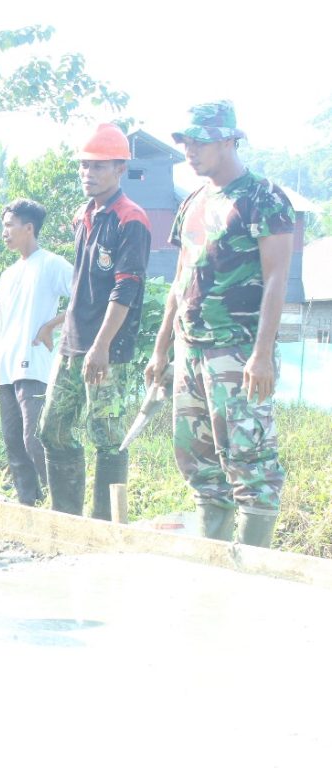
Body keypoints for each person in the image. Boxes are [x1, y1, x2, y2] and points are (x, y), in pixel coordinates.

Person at [146, 101, 293, 547]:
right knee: (197, 459)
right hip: (191, 349)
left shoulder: (262, 196)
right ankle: (216, 565)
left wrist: (262, 354)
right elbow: (179, 280)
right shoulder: (192, 202)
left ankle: (255, 569)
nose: (190, 150)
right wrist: (161, 348)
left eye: (200, 141)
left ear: (229, 140)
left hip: (238, 349)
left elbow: (276, 279)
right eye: (186, 142)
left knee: (250, 459)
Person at [39, 123, 150, 520]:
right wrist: (60, 326)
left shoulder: (130, 219)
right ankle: (66, 518)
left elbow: (126, 290)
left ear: (120, 168)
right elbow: (81, 284)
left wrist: (101, 345)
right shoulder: (82, 215)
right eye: (84, 165)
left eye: (98, 166)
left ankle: (105, 525)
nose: (88, 173)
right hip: (72, 342)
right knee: (52, 428)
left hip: (109, 348)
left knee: (107, 438)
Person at [0, 199, 72, 506]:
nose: (4, 232)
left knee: (35, 441)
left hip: (34, 368)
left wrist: (51, 326)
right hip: (5, 371)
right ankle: (27, 506)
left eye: (9, 225)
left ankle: (63, 505)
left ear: (28, 228)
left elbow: (85, 298)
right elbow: (0, 329)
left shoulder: (52, 263)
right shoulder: (8, 275)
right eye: (3, 226)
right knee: (14, 445)